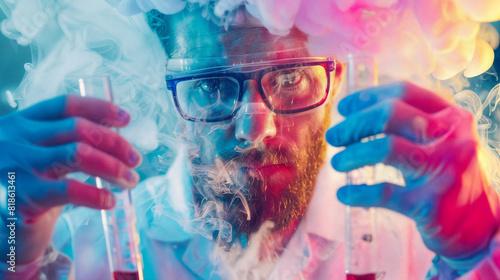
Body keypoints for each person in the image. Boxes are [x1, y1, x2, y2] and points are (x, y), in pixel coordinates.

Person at [1, 1, 500, 279]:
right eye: (213, 86)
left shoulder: (417, 243)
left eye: (290, 80)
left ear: (337, 78)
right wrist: (10, 248)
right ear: (168, 88)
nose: (253, 129)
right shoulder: (68, 245)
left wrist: (476, 252)